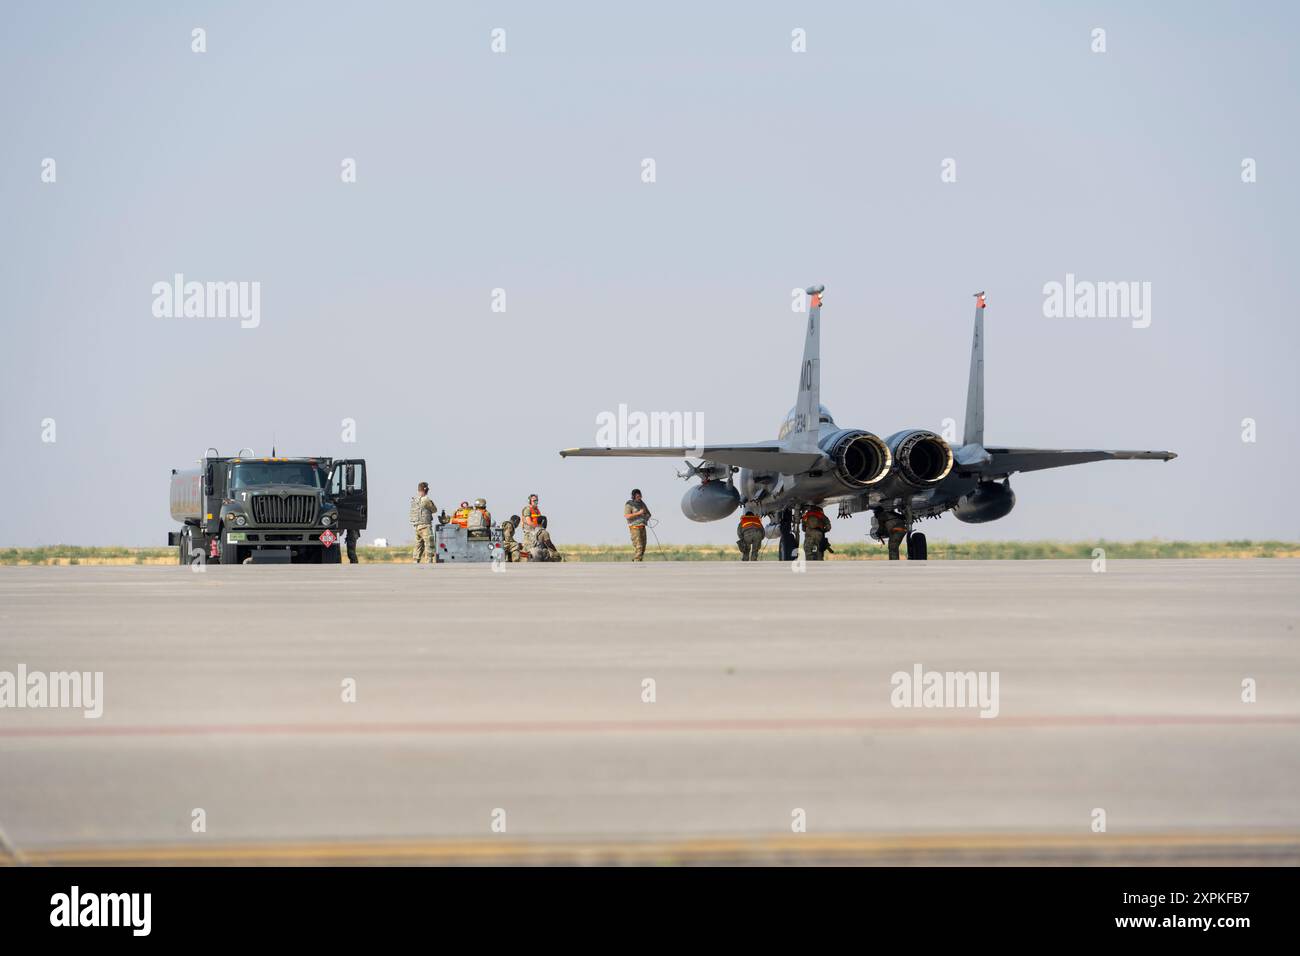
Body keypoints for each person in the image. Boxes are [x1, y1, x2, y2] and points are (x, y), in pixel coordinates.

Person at [409, 482, 437, 563]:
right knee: (429, 544)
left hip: (417, 526)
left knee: (418, 545)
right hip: (425, 526)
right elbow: (434, 510)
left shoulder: (415, 500)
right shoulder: (425, 499)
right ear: (426, 489)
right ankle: (429, 562)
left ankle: (415, 561)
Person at [624, 489, 651, 561]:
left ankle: (637, 561)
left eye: (640, 495)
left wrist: (646, 517)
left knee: (643, 547)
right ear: (633, 496)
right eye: (637, 496)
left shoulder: (642, 503)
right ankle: (637, 562)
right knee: (639, 547)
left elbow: (649, 514)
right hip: (634, 527)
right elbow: (627, 516)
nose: (639, 497)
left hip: (642, 526)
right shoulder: (629, 504)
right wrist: (638, 513)